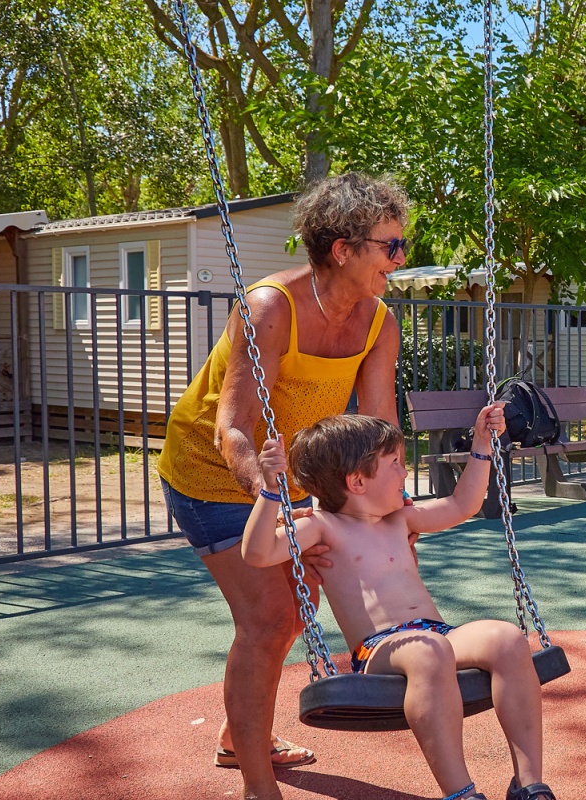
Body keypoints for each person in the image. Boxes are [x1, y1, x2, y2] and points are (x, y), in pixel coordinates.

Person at [155, 173, 406, 800]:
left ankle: (236, 738)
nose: (402, 260)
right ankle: (258, 784)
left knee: (298, 610)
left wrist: (385, 517)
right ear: (343, 248)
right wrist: (271, 496)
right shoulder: (270, 307)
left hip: (289, 477)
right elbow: (233, 428)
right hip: (213, 473)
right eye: (391, 247)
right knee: (270, 618)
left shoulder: (378, 321)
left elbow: (379, 434)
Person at [242, 408, 556, 800]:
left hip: (437, 634)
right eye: (395, 464)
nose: (405, 473)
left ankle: (529, 784)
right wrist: (272, 491)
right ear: (357, 482)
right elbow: (258, 553)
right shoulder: (323, 527)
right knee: (429, 651)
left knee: (507, 638)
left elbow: (464, 505)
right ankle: (460, 792)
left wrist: (482, 446)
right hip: (379, 648)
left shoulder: (400, 520)